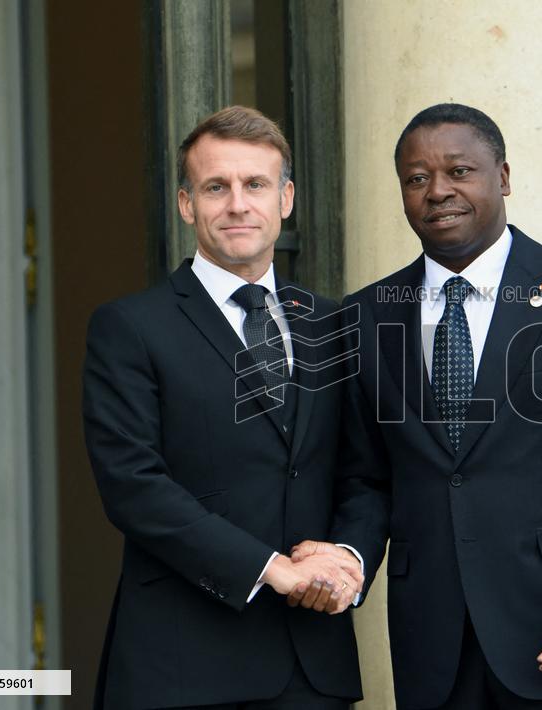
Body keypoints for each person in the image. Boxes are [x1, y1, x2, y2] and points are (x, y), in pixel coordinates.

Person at [291, 103, 542, 709]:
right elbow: (367, 479)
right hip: (432, 648)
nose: (438, 191)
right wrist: (348, 558)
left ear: (503, 176)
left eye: (459, 171)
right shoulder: (365, 315)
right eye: (417, 179)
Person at [83, 105, 365, 709]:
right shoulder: (129, 327)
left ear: (285, 199)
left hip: (312, 666)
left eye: (255, 184)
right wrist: (268, 567)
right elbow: (133, 486)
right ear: (188, 204)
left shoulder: (334, 323)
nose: (238, 204)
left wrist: (348, 556)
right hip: (183, 666)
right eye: (217, 186)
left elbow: (365, 471)